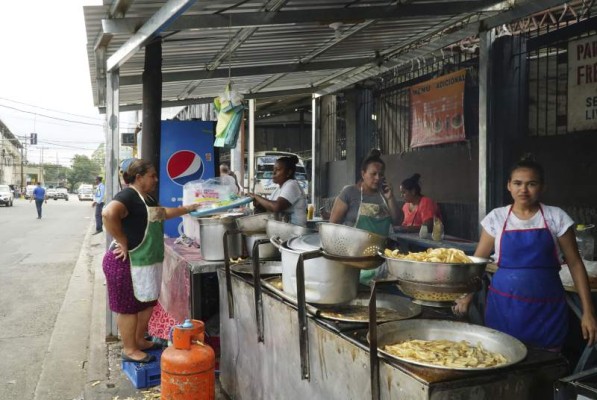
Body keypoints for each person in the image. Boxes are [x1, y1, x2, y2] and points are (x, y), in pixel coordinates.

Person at [454, 155, 597, 350]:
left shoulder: (556, 217)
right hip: (504, 306)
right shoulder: (497, 217)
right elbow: (478, 262)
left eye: (532, 184)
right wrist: (467, 296)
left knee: (546, 363)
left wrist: (588, 312)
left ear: (542, 187)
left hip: (546, 309)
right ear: (509, 186)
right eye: (517, 183)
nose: (523, 189)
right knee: (502, 356)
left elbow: (575, 264)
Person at [101, 159, 201, 363]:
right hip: (125, 261)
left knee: (145, 303)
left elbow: (162, 214)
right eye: (152, 176)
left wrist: (188, 208)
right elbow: (108, 213)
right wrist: (121, 241)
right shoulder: (128, 195)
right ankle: (129, 349)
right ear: (138, 177)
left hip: (144, 262)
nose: (156, 179)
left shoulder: (147, 199)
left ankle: (139, 339)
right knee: (128, 307)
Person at [329, 149, 400, 283]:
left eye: (381, 174)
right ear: (363, 174)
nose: (378, 178)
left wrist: (391, 198)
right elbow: (333, 224)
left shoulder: (384, 196)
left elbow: (397, 220)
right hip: (353, 260)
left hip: (379, 260)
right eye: (373, 174)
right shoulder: (349, 193)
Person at [249, 155, 307, 227]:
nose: (273, 172)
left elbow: (276, 207)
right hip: (284, 231)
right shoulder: (278, 189)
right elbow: (270, 208)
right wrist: (259, 204)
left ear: (288, 172)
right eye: (274, 169)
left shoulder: (292, 185)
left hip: (295, 233)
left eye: (278, 169)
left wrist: (256, 196)